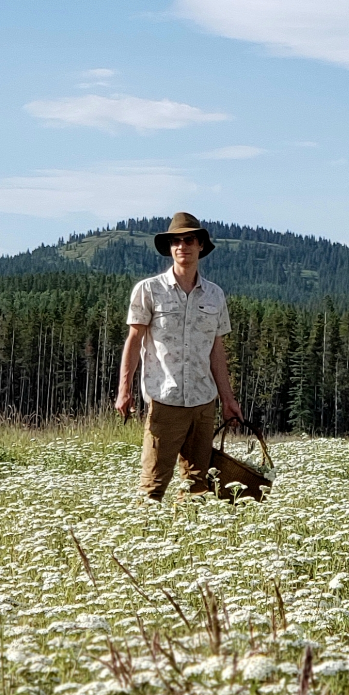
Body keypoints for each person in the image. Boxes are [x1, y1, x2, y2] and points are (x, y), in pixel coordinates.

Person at [115, 212, 244, 500]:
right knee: (153, 485)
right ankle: (145, 537)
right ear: (169, 247)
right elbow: (134, 342)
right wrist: (124, 390)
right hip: (164, 400)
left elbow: (216, 350)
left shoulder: (215, 295)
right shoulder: (149, 290)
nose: (182, 246)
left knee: (198, 486)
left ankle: (187, 542)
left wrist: (228, 400)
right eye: (175, 241)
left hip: (203, 403)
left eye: (188, 240)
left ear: (200, 246)